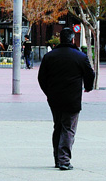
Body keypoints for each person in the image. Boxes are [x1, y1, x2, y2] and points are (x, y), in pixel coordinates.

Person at [38, 27, 95, 171]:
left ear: (60, 39)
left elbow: (41, 78)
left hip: (54, 98)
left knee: (58, 127)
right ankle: (64, 159)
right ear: (72, 40)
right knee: (68, 128)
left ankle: (57, 158)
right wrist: (88, 87)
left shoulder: (50, 56)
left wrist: (49, 92)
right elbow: (90, 74)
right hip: (72, 98)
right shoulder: (80, 56)